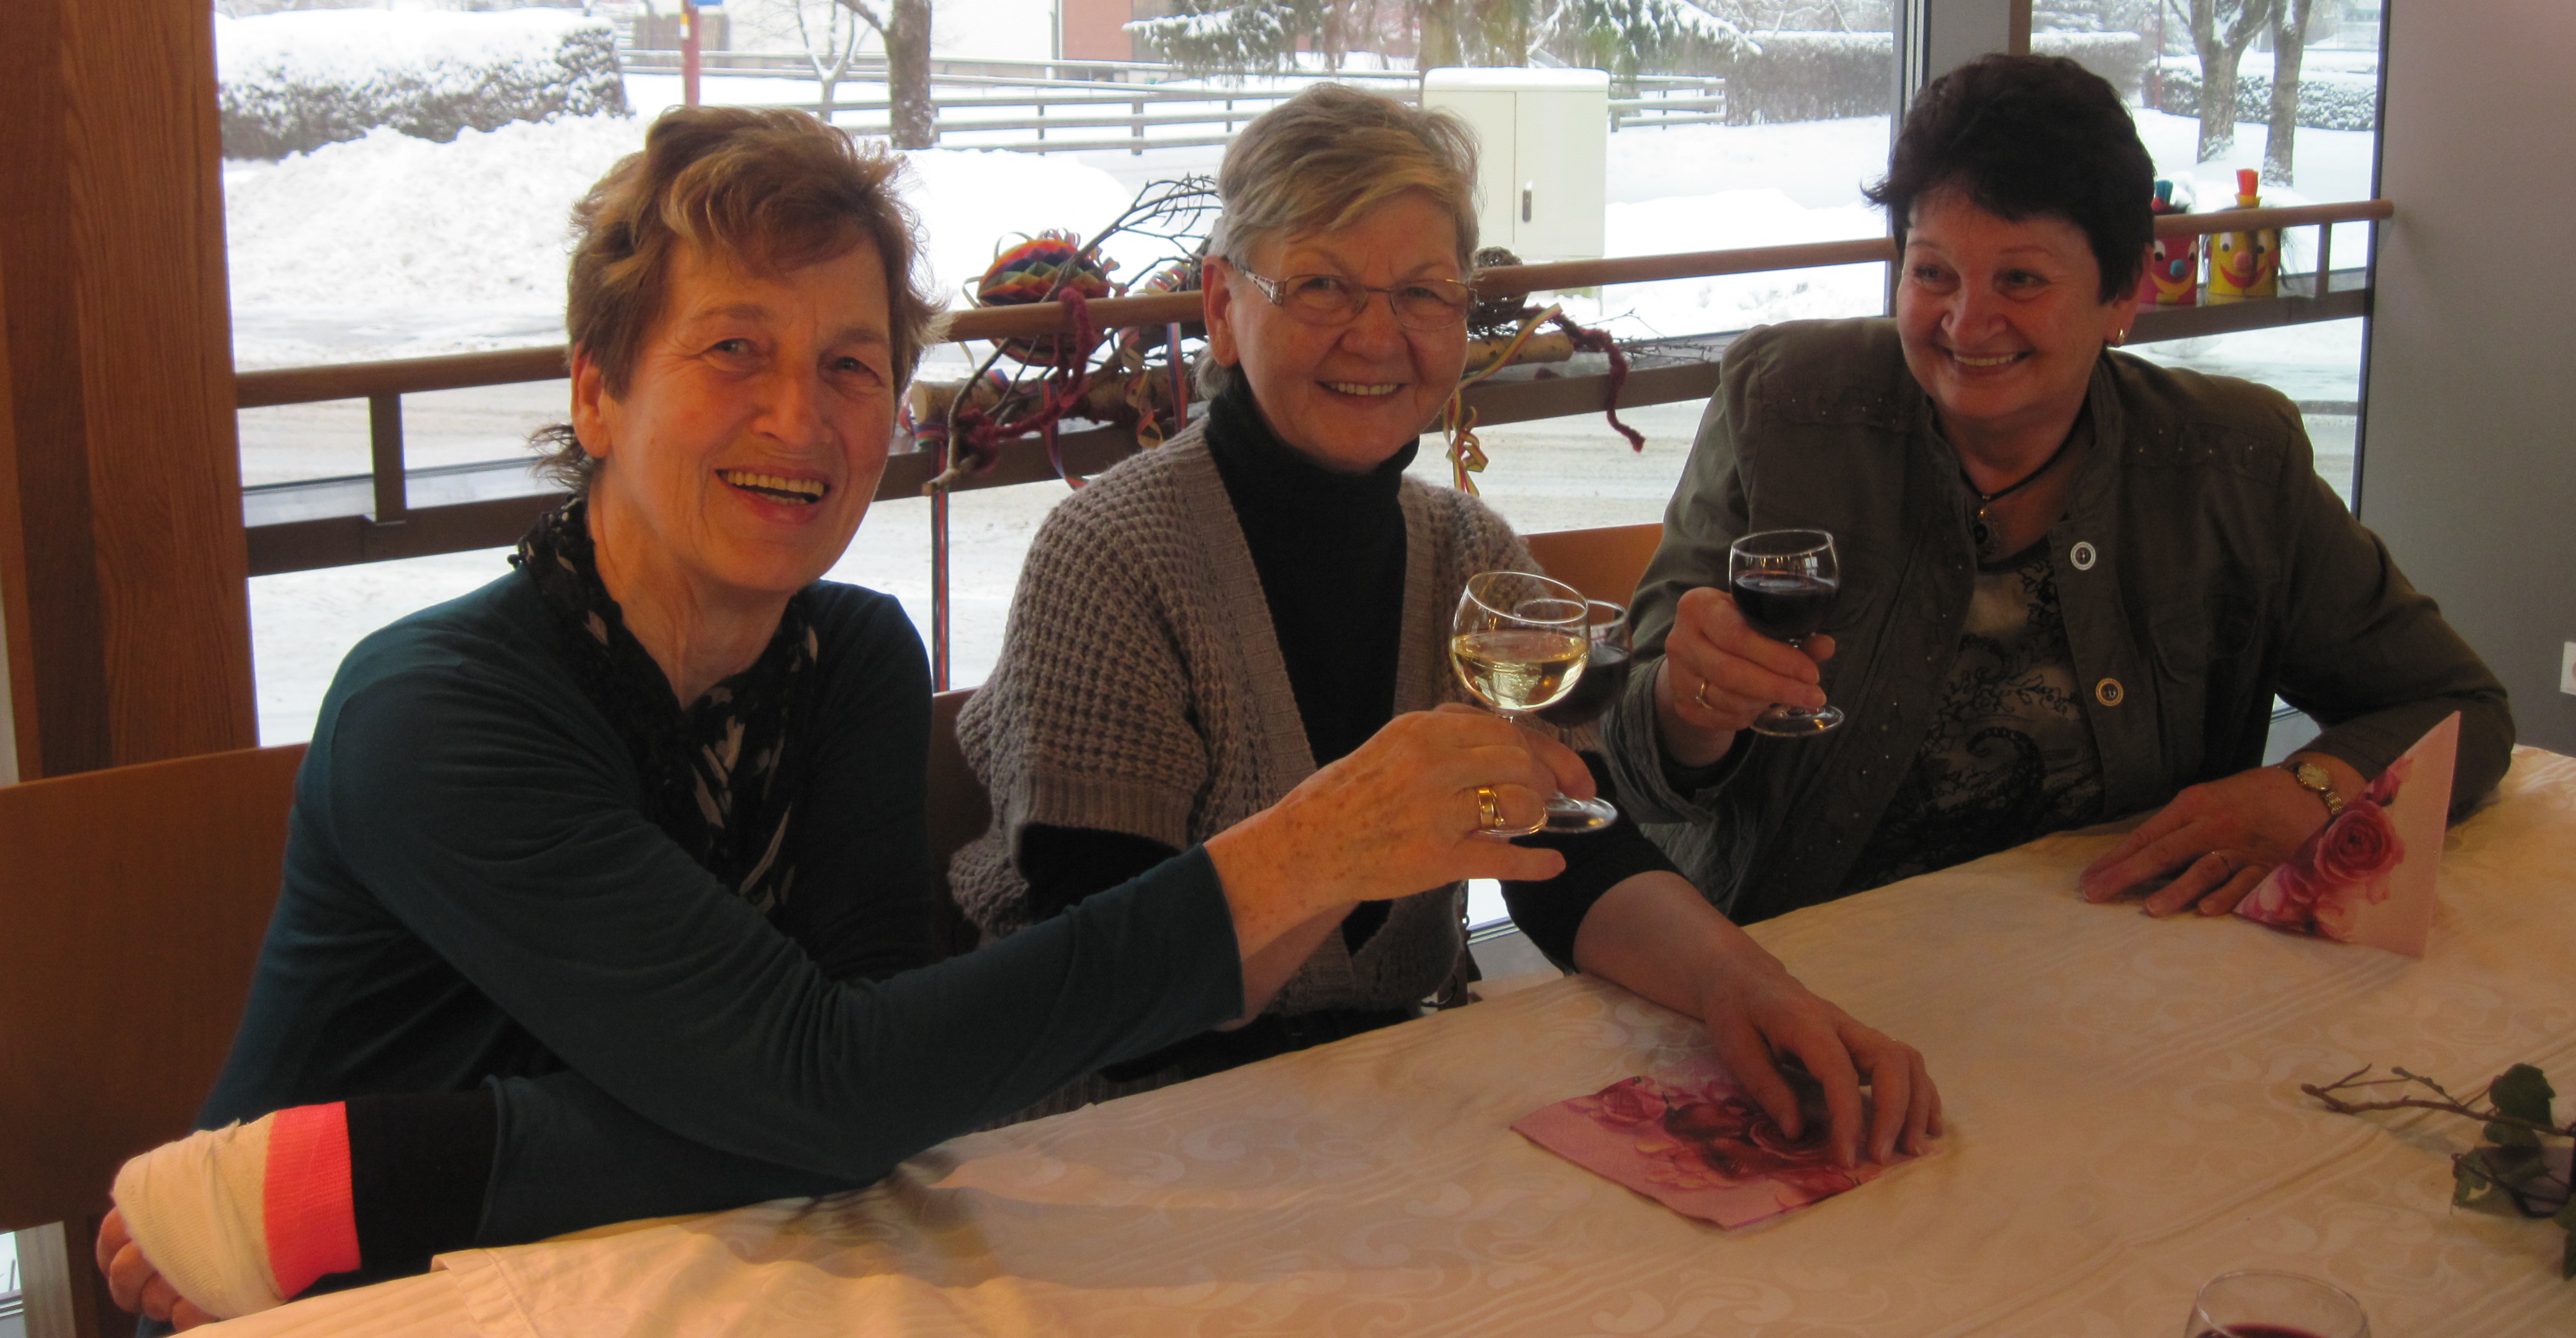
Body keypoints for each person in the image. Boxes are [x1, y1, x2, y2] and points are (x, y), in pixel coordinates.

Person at [98, 108, 1597, 1329]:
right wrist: (1306, 851)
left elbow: (857, 1087)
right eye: (731, 350)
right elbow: (840, 1090)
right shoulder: (437, 712)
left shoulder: (849, 661)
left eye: (849, 366)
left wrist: (378, 1164)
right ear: (598, 392)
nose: (796, 417)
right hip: (341, 1298)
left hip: (669, 1266)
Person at [951, 84, 1941, 1161]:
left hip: (1372, 1104)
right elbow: (1115, 1000)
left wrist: (1743, 986)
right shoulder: (1112, 557)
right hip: (1115, 1139)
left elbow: (1572, 855)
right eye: (1323, 285)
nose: (1378, 336)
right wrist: (1340, 844)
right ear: (1223, 307)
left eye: (1423, 293)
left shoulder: (1469, 555)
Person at [1600, 53, 2513, 926]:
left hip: (2123, 961)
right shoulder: (1785, 407)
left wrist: (2312, 791)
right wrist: (1689, 704)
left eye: (2022, 279)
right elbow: (1628, 765)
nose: (1967, 322)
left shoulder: (2233, 463)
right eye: (1933, 272)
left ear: (2124, 292)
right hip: (1805, 956)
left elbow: (2459, 709)